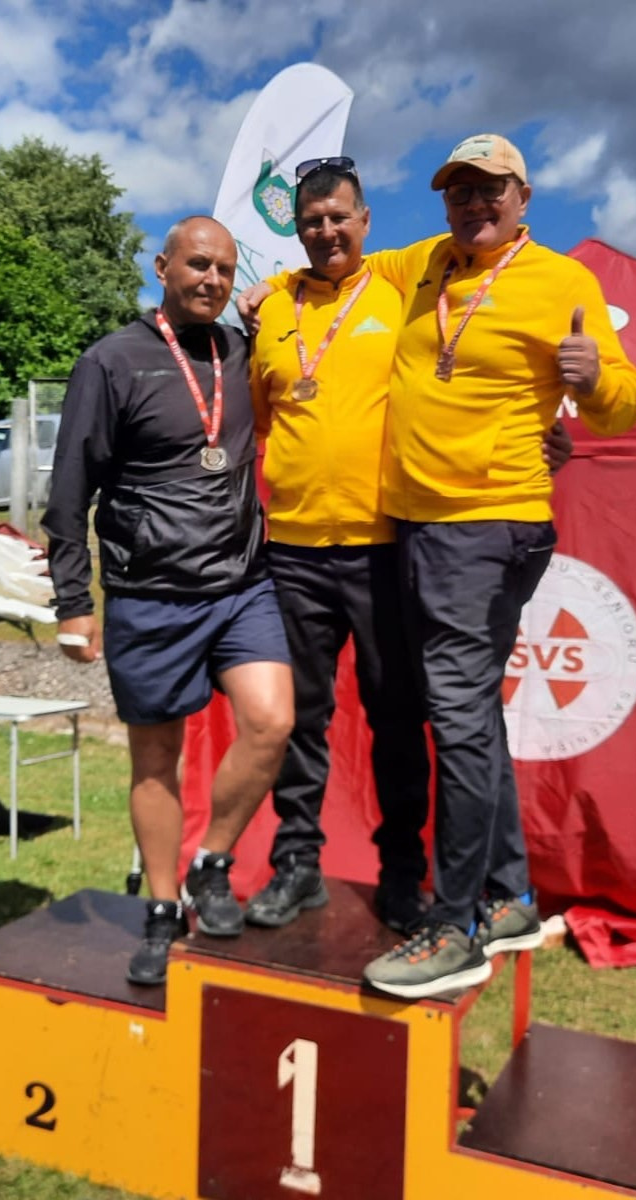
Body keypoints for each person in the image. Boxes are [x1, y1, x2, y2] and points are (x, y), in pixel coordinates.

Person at [251, 134, 636, 999]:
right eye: (460, 190)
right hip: (420, 528)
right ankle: (508, 897)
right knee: (469, 717)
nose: (474, 204)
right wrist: (266, 290)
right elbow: (326, 265)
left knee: (455, 719)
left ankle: (455, 926)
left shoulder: (562, 282)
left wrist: (591, 382)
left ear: (524, 196)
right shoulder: (423, 263)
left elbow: (623, 405)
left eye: (491, 189)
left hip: (484, 525)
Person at [42, 215, 294, 987]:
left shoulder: (242, 351)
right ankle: (160, 907)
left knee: (272, 722)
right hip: (149, 595)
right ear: (162, 267)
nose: (211, 279)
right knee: (156, 760)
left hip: (241, 584)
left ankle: (211, 862)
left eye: (223, 268)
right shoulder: (110, 361)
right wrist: (72, 600)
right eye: (197, 264)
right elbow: (69, 491)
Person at [244, 159, 431, 934]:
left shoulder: (400, 289)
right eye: (311, 221)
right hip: (292, 549)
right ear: (297, 229)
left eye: (338, 218)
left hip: (382, 546)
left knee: (397, 719)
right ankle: (297, 865)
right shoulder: (272, 307)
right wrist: (265, 288)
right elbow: (262, 416)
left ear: (365, 221)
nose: (325, 231)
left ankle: (403, 875)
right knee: (298, 719)